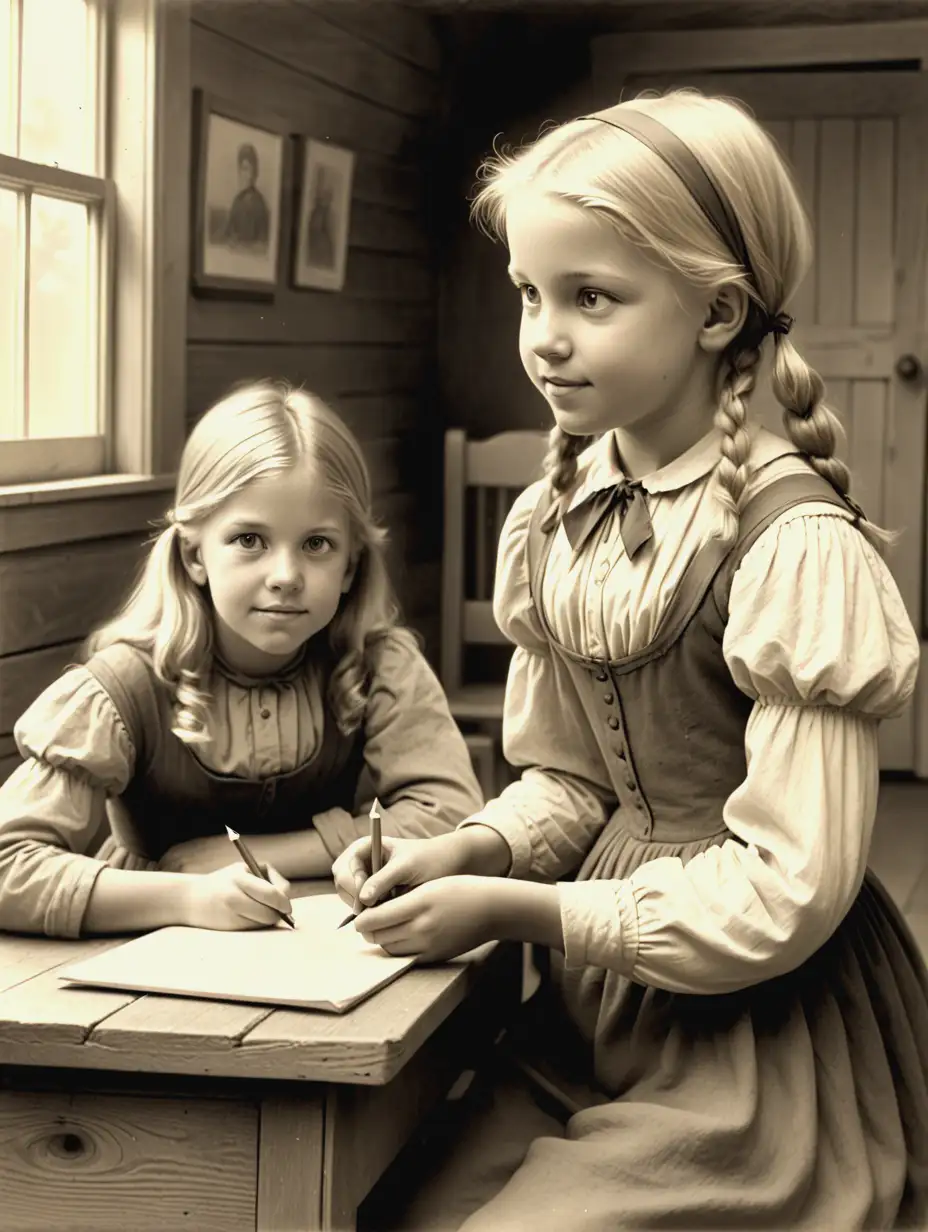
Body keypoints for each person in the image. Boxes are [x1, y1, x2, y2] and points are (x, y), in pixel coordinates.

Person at [336, 90, 928, 1230]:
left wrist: (522, 908)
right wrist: (472, 844)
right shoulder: (562, 510)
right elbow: (572, 780)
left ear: (715, 311)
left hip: (761, 1048)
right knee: (390, 1203)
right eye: (527, 293)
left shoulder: (793, 545)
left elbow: (787, 892)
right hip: (590, 1019)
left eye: (589, 297)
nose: (543, 335)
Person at [0, 381, 483, 938]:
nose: (285, 576)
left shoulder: (377, 665)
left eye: (317, 544)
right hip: (156, 958)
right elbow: (9, 862)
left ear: (351, 566)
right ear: (193, 553)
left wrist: (258, 852)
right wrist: (187, 898)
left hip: (330, 949)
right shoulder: (121, 691)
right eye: (250, 539)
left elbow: (450, 817)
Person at [225, 142, 270, 250]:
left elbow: (264, 244)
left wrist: (245, 247)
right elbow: (229, 234)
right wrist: (231, 241)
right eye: (243, 169)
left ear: (255, 172)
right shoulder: (237, 201)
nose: (247, 175)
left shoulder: (260, 203)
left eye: (249, 169)